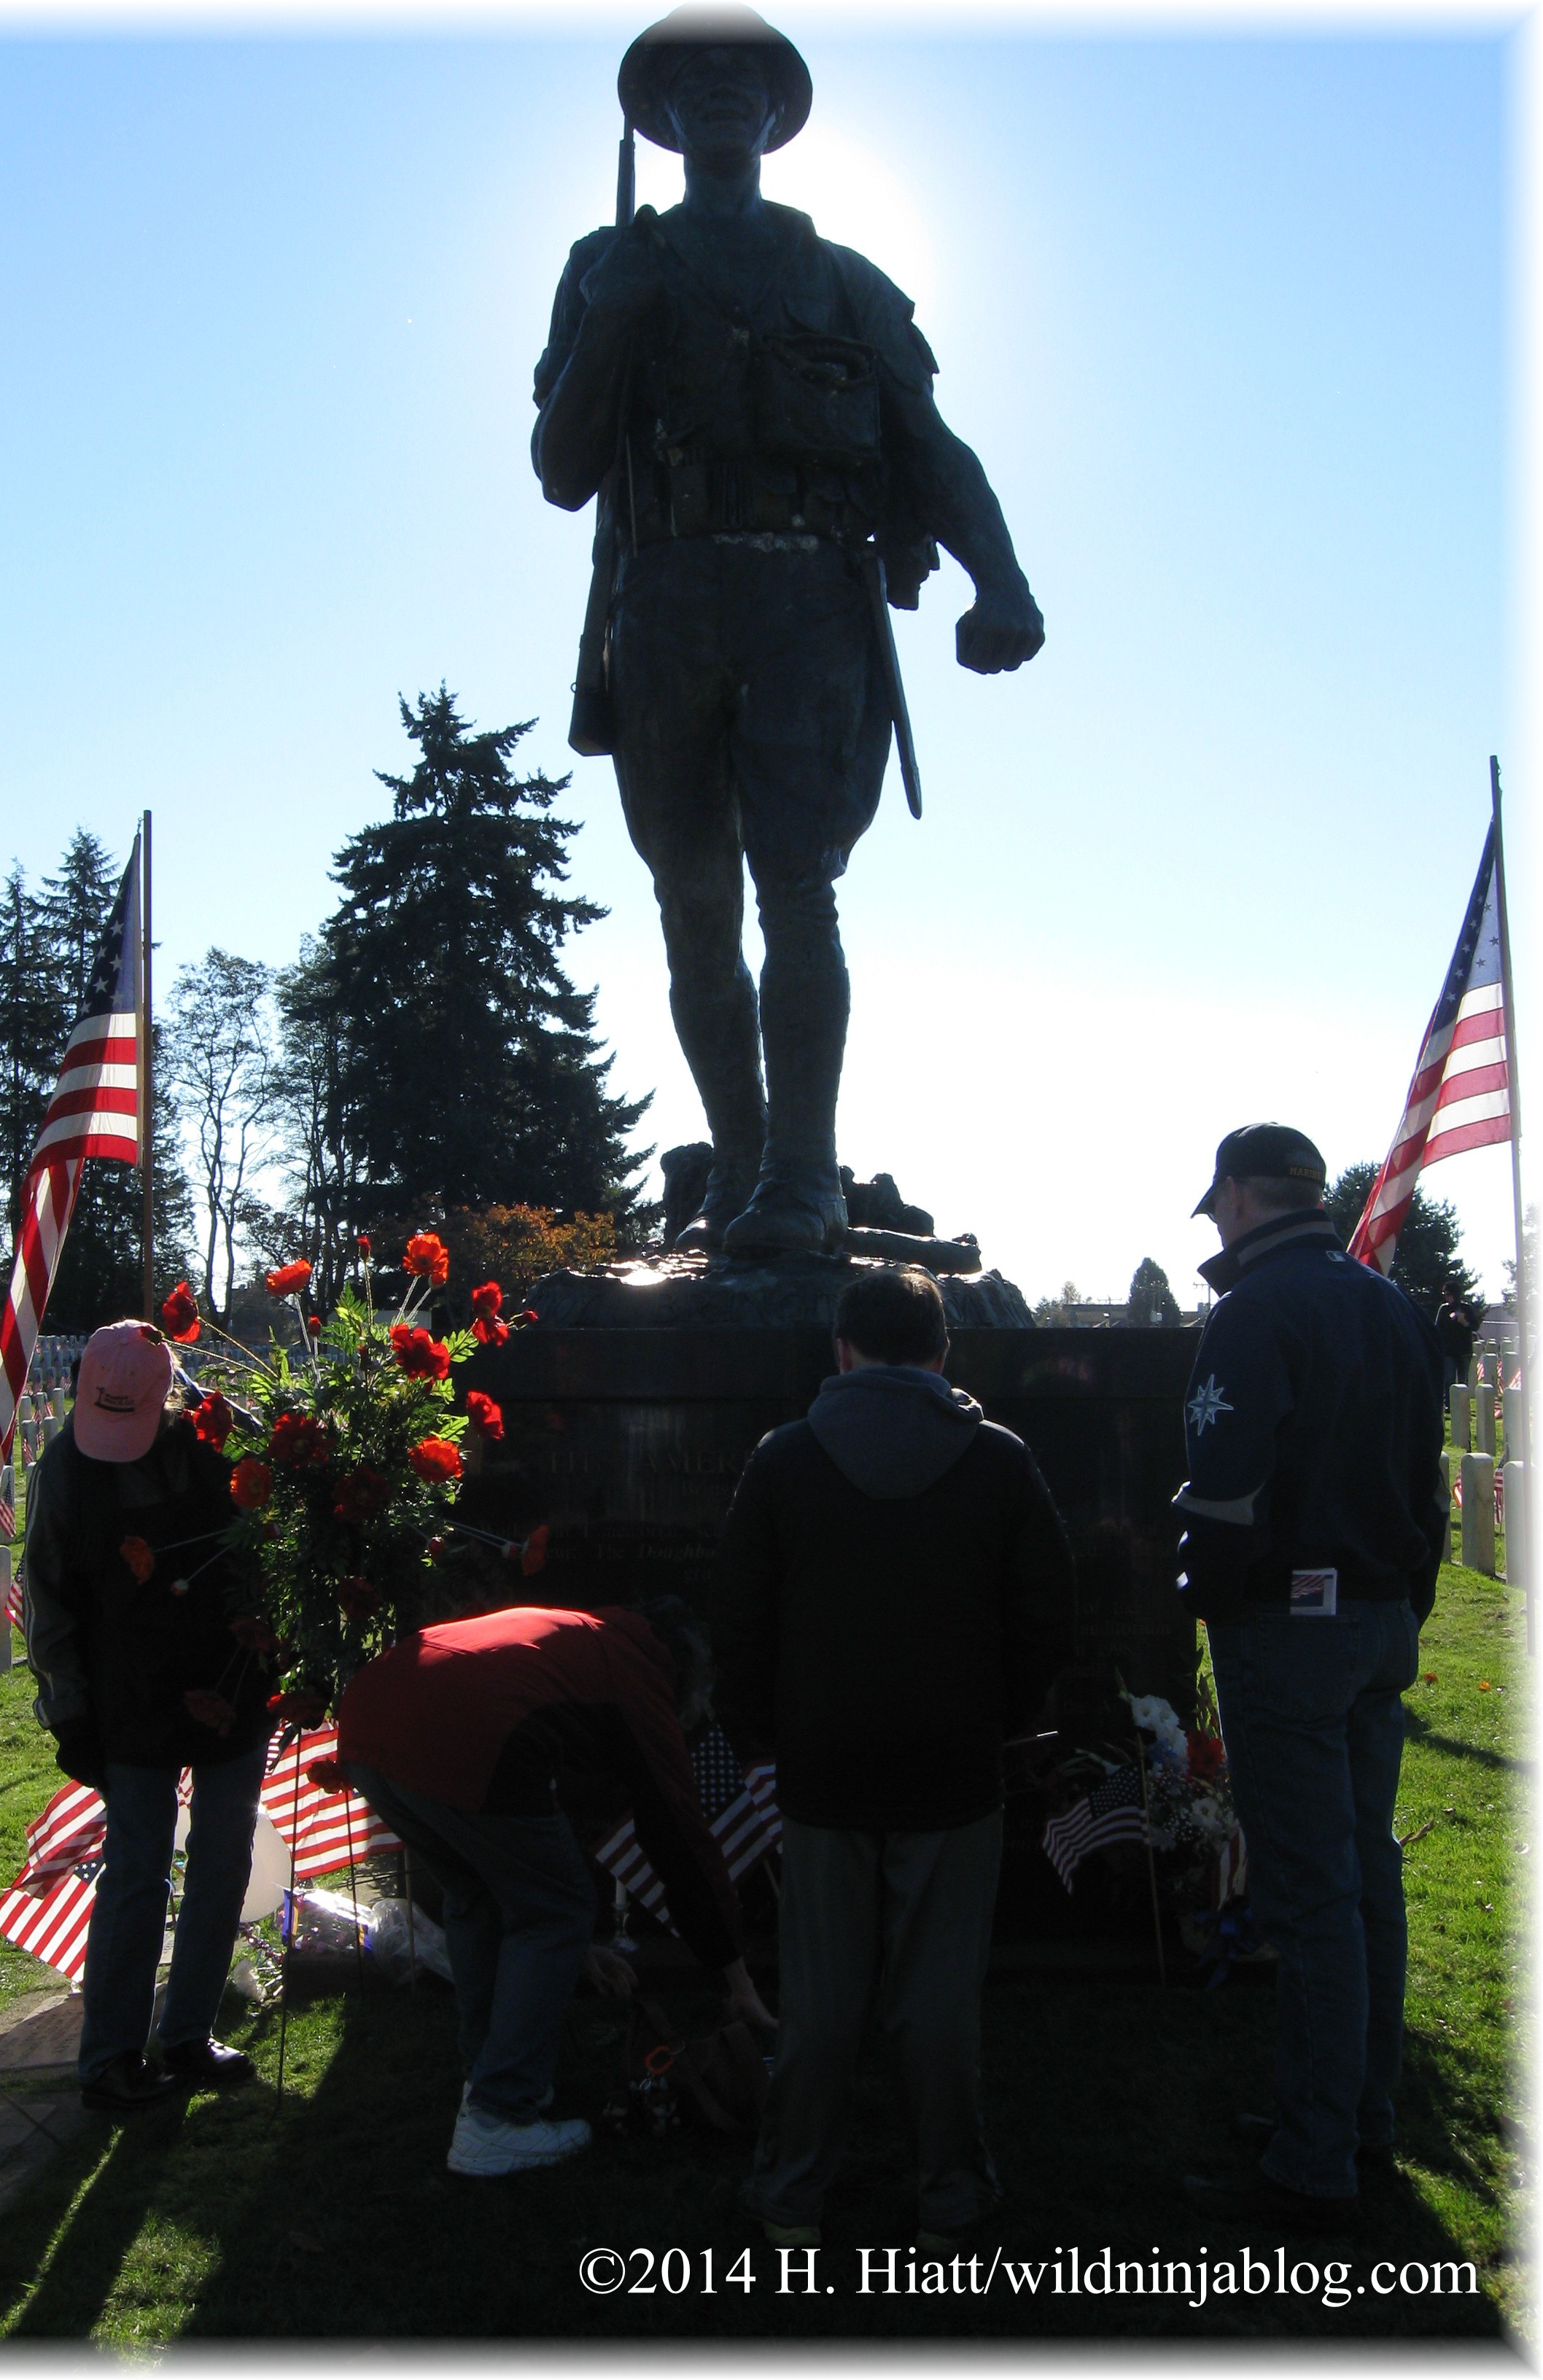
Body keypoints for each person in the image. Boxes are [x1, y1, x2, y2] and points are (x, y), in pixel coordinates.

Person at [532, 6, 1043, 1260]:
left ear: (774, 111)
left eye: (742, 74)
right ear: (661, 117)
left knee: (798, 889)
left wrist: (1002, 581)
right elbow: (560, 469)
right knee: (692, 904)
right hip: (665, 600)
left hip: (812, 602)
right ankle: (743, 1162)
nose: (719, 89)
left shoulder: (843, 281)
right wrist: (615, 316)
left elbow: (931, 446)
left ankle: (804, 1178)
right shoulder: (606, 263)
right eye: (693, 76)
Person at [712, 1264, 1075, 2248]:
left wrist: (761, 1733)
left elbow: (739, 1618)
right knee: (938, 1999)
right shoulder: (998, 1460)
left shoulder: (785, 1459)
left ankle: (791, 2194)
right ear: (942, 1352)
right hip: (953, 1766)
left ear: (842, 1350)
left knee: (821, 1998)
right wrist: (999, 1715)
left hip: (823, 1765)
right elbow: (1047, 1614)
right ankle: (951, 2196)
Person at [1175, 1124, 1448, 2225]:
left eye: (1220, 1205)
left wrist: (1208, 1595)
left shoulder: (1255, 1310)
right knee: (1367, 1874)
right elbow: (1424, 1481)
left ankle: (1314, 2154)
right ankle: (1360, 2114)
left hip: (1291, 1627)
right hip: (1380, 1617)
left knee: (1313, 1894)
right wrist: (1406, 1602)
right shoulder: (1387, 1301)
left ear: (1239, 1198)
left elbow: (1224, 1485)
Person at [335, 1598, 774, 2179]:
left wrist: (574, 1949)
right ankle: (499, 2114)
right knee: (559, 1909)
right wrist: (737, 1978)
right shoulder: (637, 1672)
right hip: (459, 1727)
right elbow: (679, 1836)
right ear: (685, 1673)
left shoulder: (575, 1643)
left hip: (369, 1717)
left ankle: (486, 2078)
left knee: (477, 1896)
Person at [23, 1320, 273, 2115]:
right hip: (125, 1689)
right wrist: (69, 1714)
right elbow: (48, 1596)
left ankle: (189, 2032)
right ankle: (110, 2061)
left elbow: (273, 1533)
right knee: (136, 1873)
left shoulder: (218, 1436)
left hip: (230, 1676)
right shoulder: (65, 1468)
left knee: (224, 1856)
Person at [1434, 1298, 1475, 1391]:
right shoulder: (1444, 1309)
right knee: (1449, 1380)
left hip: (1464, 1350)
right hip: (1449, 1351)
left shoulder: (1467, 1308)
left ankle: (1463, 1400)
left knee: (1463, 1380)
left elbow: (1475, 1326)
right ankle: (1449, 1400)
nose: (1446, 1297)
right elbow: (1437, 1328)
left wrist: (1464, 1323)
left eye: (1448, 1294)